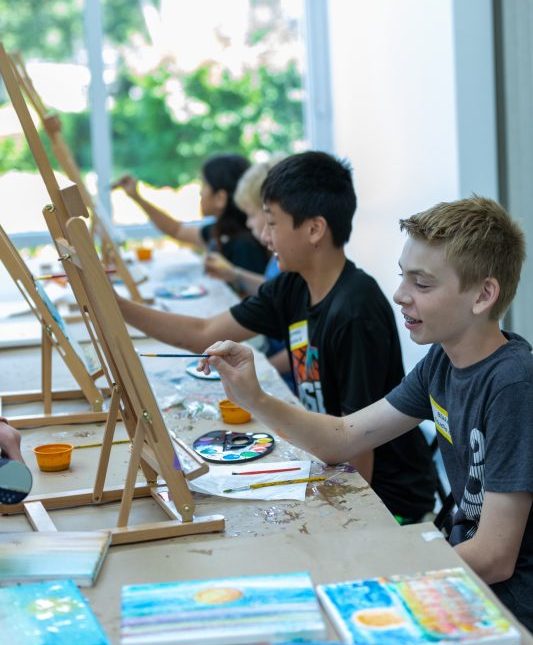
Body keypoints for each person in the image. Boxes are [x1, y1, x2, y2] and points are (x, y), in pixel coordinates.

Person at [201, 195, 533, 631]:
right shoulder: (441, 362)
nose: (400, 295)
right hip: (464, 566)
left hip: (509, 604)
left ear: (483, 295)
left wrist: (380, 571)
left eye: (422, 284)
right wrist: (255, 399)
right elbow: (343, 437)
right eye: (402, 276)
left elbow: (494, 557)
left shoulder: (512, 386)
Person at [116, 151, 436, 523]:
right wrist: (114, 305)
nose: (265, 238)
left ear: (314, 229)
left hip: (387, 500)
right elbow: (202, 332)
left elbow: (358, 449)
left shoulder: (355, 310)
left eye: (272, 223)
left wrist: (341, 526)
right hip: (330, 459)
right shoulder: (293, 286)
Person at [204, 156, 293, 386]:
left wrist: (261, 369)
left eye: (251, 215)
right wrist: (235, 274)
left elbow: (302, 346)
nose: (249, 224)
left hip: (285, 378)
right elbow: (272, 289)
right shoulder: (278, 257)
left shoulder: (293, 263)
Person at [113, 153, 269, 274]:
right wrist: (137, 197)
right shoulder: (220, 231)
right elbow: (176, 230)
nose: (200, 192)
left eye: (204, 184)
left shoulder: (244, 246)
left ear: (220, 198)